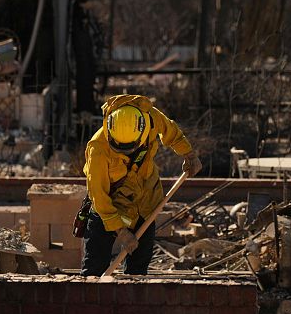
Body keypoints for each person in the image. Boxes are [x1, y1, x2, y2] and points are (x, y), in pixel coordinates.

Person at [81, 94, 201, 276]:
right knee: (94, 270)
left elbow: (171, 132)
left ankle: (133, 291)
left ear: (142, 130)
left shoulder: (150, 117)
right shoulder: (98, 148)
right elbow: (99, 195)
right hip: (110, 209)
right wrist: (121, 231)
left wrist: (189, 155)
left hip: (144, 203)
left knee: (138, 270)